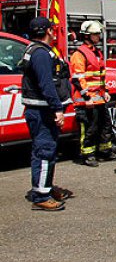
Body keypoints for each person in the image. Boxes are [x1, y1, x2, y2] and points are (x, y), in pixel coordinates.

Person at [20, 17, 74, 210]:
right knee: (44, 152)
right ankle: (41, 196)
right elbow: (46, 84)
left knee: (47, 151)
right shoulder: (40, 54)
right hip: (42, 111)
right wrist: (57, 108)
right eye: (53, 29)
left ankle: (46, 188)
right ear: (49, 31)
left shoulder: (39, 51)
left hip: (42, 110)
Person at [70, 20, 116, 166]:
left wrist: (106, 91)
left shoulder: (96, 52)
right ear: (87, 36)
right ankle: (87, 154)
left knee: (105, 125)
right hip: (86, 100)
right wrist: (87, 98)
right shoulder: (79, 54)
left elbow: (100, 75)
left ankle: (104, 151)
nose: (98, 36)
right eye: (95, 34)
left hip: (99, 98)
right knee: (89, 129)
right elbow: (78, 79)